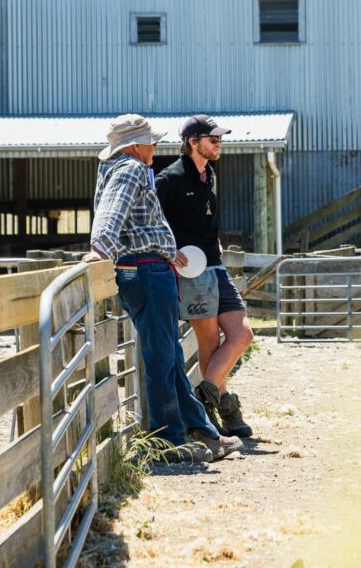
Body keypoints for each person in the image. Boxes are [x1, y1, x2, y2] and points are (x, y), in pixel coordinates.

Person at [82, 113, 243, 464]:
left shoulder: (117, 167)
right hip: (145, 270)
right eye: (151, 141)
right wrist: (101, 248)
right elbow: (112, 213)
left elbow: (135, 219)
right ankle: (168, 441)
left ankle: (201, 431)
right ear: (136, 145)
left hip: (145, 267)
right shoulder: (132, 168)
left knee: (167, 353)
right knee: (161, 357)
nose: (156, 146)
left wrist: (169, 251)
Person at [156, 114, 255, 438]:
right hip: (190, 270)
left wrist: (215, 241)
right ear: (192, 143)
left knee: (242, 334)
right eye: (213, 139)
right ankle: (227, 412)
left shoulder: (209, 174)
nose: (218, 143)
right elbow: (152, 222)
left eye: (219, 139)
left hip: (216, 265)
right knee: (210, 342)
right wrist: (170, 252)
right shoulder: (169, 179)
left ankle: (204, 397)